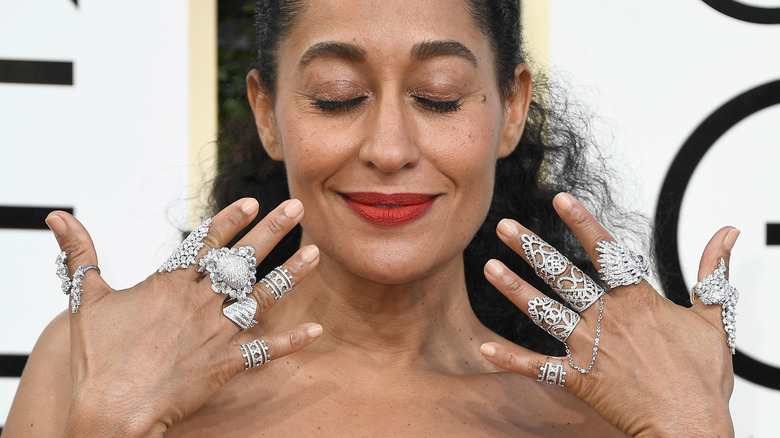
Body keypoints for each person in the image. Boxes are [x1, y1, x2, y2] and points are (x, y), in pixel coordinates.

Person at [3, 0, 738, 436]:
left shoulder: (610, 408)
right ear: (267, 112)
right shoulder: (89, 364)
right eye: (336, 95)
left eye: (440, 96)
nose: (389, 149)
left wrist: (694, 427)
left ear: (511, 108)